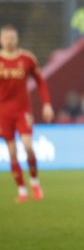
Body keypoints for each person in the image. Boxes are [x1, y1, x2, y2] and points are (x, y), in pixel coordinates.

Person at [0, 24, 54, 203]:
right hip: (3, 112)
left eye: (12, 37)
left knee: (28, 145)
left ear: (17, 39)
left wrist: (47, 104)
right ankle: (22, 191)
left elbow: (41, 82)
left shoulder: (27, 59)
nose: (9, 41)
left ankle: (34, 182)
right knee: (12, 151)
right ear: (1, 40)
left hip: (23, 110)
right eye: (6, 38)